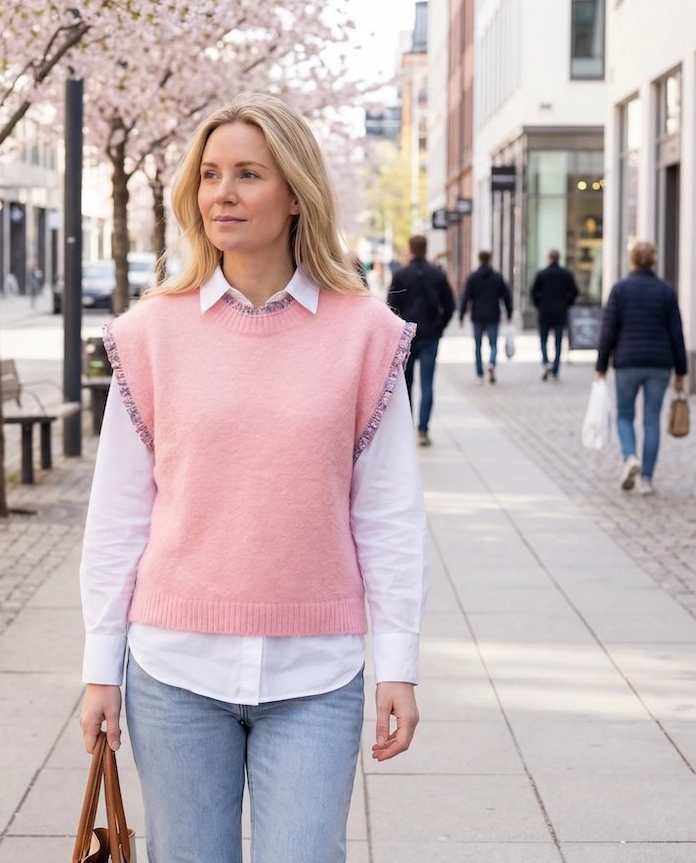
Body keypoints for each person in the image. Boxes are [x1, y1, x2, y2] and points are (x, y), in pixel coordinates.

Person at [78, 94, 429, 863]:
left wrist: (397, 665)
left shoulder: (368, 336)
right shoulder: (149, 336)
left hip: (317, 671)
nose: (222, 194)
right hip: (173, 668)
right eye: (209, 175)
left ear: (296, 194)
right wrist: (99, 668)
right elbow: (118, 517)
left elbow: (389, 515)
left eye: (247, 174)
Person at [595, 241, 687, 496]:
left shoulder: (620, 290)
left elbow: (608, 331)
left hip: (627, 362)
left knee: (624, 415)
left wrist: (601, 366)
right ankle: (646, 479)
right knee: (651, 421)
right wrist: (682, 370)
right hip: (659, 364)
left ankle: (630, 457)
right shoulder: (666, 291)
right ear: (654, 260)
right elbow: (676, 333)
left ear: (632, 260)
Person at [388, 234, 455, 446]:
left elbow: (391, 305)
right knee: (427, 383)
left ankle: (406, 428)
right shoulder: (437, 274)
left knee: (405, 384)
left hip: (407, 336)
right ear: (425, 249)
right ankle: (423, 430)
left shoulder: (401, 274)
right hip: (430, 335)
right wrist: (440, 326)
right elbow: (450, 304)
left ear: (410, 248)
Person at [458, 250, 512, 384]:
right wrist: (509, 314)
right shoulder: (497, 277)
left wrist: (461, 315)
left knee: (478, 346)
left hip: (477, 315)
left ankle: (479, 374)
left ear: (479, 259)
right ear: (490, 259)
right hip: (493, 314)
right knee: (493, 344)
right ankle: (492, 363)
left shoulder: (472, 277)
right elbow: (506, 296)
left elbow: (466, 298)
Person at [530, 249, 579, 381]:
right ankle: (556, 368)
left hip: (545, 312)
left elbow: (533, 292)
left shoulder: (542, 274)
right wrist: (567, 303)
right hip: (560, 313)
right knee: (558, 343)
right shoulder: (566, 274)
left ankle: (546, 363)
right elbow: (575, 292)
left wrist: (539, 304)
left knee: (543, 341)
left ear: (549, 258)